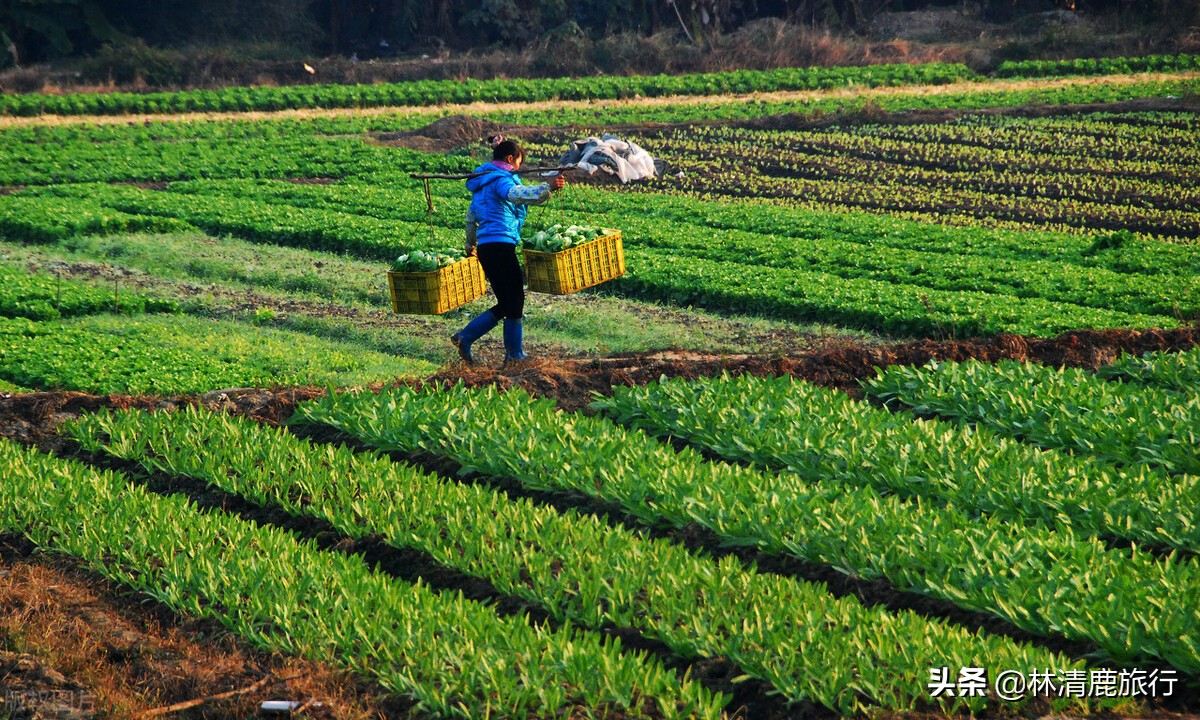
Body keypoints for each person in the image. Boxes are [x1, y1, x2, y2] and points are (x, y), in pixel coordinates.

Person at [452, 136, 565, 364]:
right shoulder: (501, 180)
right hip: (501, 244)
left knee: (508, 301)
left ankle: (477, 341)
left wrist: (471, 244)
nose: (519, 170)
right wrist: (547, 187)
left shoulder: (483, 182)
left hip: (487, 247)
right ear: (510, 159)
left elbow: (470, 218)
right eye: (518, 164)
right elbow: (516, 194)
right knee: (514, 299)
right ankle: (510, 353)